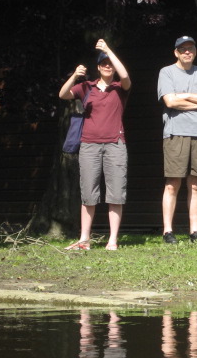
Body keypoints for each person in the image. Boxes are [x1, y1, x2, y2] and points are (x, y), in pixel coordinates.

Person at [59, 39, 131, 251]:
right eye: (103, 63)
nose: (108, 66)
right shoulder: (86, 87)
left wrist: (108, 49)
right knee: (88, 193)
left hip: (116, 144)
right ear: (98, 67)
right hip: (89, 145)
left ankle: (113, 240)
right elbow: (63, 95)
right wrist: (74, 75)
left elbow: (125, 75)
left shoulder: (120, 88)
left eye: (110, 63)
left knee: (115, 193)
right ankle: (84, 240)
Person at [157, 36, 197, 244]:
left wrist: (185, 96)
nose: (187, 52)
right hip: (175, 133)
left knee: (196, 184)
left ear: (195, 51)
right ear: (176, 52)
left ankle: (194, 231)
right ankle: (168, 231)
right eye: (182, 49)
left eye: (190, 48)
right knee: (173, 183)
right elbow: (170, 101)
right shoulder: (166, 72)